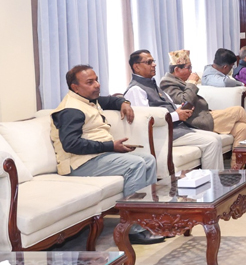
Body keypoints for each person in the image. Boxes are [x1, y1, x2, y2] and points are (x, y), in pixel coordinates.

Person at [50, 65, 162, 245]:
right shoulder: (71, 109)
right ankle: (133, 229)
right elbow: (71, 144)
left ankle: (148, 220)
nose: (97, 85)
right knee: (135, 165)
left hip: (96, 156)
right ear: (75, 87)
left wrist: (124, 103)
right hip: (78, 164)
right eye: (90, 82)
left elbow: (110, 101)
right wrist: (111, 146)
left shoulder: (87, 100)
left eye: (96, 80)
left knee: (148, 159)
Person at [124, 50, 223, 171]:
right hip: (161, 134)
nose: (154, 64)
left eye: (153, 61)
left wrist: (181, 109)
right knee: (211, 142)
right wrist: (177, 115)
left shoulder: (151, 84)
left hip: (175, 129)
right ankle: (211, 181)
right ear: (137, 67)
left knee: (216, 138)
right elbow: (146, 121)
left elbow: (167, 105)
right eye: (149, 62)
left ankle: (214, 179)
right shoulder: (136, 89)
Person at [160, 50, 246, 147]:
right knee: (239, 110)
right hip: (195, 120)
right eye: (188, 68)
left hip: (204, 114)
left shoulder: (179, 80)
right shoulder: (167, 83)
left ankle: (242, 157)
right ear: (177, 69)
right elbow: (183, 101)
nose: (191, 71)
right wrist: (191, 83)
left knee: (242, 128)